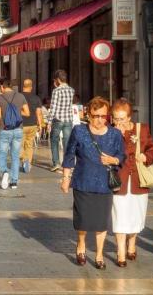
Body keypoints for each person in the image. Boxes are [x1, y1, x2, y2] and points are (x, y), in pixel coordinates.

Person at [60, 97, 123, 270]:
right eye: (96, 116)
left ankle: (99, 254)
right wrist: (65, 178)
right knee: (83, 219)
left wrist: (114, 160)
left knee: (101, 221)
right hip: (83, 181)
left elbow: (121, 155)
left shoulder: (115, 134)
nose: (100, 120)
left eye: (103, 116)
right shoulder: (79, 131)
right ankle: (81, 244)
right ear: (88, 115)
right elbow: (69, 155)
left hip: (105, 183)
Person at [111, 98, 153, 266]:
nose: (118, 122)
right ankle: (120, 251)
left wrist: (146, 156)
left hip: (138, 181)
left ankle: (132, 242)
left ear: (129, 117)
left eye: (122, 119)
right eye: (116, 118)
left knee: (136, 215)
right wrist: (117, 135)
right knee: (119, 215)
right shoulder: (111, 132)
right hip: (119, 180)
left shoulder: (142, 129)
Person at [0, 79, 30, 190]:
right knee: (15, 156)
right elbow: (27, 113)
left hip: (5, 129)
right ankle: (14, 182)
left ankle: (5, 171)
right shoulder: (20, 96)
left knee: (2, 154)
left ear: (2, 86)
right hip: (18, 129)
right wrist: (17, 112)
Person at [49, 69, 75, 172]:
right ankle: (67, 164)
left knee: (54, 140)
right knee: (67, 142)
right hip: (68, 119)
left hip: (58, 119)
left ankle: (56, 163)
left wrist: (49, 121)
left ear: (58, 79)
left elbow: (53, 107)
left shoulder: (56, 91)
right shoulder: (71, 90)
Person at [19, 79, 43, 174]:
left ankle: (23, 159)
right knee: (29, 145)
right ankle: (28, 162)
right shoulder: (36, 98)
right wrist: (40, 124)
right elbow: (39, 113)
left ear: (23, 86)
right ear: (31, 87)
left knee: (20, 144)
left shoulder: (19, 97)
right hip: (32, 124)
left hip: (21, 124)